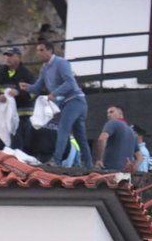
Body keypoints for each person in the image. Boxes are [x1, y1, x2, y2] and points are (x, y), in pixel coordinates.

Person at [19, 40, 93, 169]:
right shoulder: (45, 68)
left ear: (50, 51)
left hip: (75, 101)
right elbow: (37, 87)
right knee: (80, 136)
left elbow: (70, 82)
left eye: (41, 50)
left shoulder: (61, 63)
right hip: (69, 103)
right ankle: (90, 166)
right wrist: (28, 87)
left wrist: (54, 93)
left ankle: (57, 161)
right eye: (37, 50)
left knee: (63, 129)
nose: (39, 53)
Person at [95, 105, 138, 172]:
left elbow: (102, 139)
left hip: (110, 171)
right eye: (107, 113)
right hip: (125, 174)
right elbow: (139, 156)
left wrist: (99, 160)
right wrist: (133, 168)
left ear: (120, 114)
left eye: (111, 112)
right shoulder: (131, 131)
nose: (108, 115)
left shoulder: (113, 123)